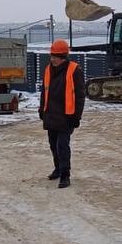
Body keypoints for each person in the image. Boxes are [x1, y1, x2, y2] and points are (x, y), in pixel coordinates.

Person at [39, 40, 86, 189]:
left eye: (55, 56)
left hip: (67, 116)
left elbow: (80, 96)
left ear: (63, 57)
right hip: (51, 114)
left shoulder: (74, 70)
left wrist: (76, 116)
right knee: (53, 145)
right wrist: (42, 109)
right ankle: (58, 169)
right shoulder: (48, 69)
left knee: (62, 145)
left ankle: (65, 175)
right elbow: (44, 91)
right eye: (51, 56)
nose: (52, 59)